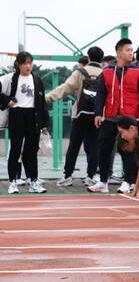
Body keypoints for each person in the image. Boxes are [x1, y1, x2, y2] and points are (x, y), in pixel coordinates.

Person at [90, 38, 139, 194]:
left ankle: (128, 181)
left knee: (128, 150)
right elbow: (100, 94)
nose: (131, 53)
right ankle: (103, 181)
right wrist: (97, 113)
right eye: (127, 50)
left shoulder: (138, 72)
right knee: (104, 149)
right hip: (110, 116)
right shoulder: (107, 71)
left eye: (132, 50)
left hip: (130, 118)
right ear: (118, 52)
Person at [46, 46, 104, 187]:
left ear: (88, 57)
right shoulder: (106, 73)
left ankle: (68, 176)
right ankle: (91, 176)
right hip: (98, 116)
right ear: (101, 58)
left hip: (80, 115)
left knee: (74, 146)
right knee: (94, 146)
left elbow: (65, 88)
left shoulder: (80, 72)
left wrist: (47, 98)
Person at [0, 52, 48, 194]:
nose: (28, 66)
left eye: (30, 63)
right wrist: (6, 101)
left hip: (33, 117)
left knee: (32, 152)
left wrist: (44, 123)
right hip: (17, 115)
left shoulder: (37, 80)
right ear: (19, 64)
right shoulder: (10, 78)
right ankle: (12, 182)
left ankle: (33, 181)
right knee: (15, 150)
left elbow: (42, 103)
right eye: (25, 63)